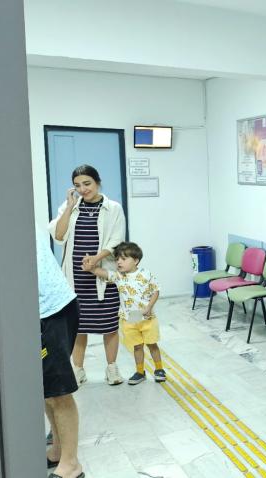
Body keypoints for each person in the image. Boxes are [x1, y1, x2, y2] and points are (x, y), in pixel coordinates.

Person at [49, 164, 126, 386]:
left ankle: (112, 368)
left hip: (102, 274)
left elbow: (117, 240)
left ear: (97, 182)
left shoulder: (113, 208)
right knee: (78, 326)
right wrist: (69, 207)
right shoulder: (69, 207)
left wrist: (96, 259)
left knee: (109, 325)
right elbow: (58, 235)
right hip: (75, 277)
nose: (83, 189)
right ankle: (78, 370)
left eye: (87, 183)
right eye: (77, 185)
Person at [36, 228, 85, 478]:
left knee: (58, 392)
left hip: (52, 309)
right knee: (47, 390)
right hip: (41, 309)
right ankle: (57, 450)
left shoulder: (9, 216)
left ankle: (71, 464)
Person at [83, 241, 166, 385]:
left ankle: (159, 369)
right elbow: (104, 273)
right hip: (130, 319)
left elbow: (156, 290)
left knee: (152, 344)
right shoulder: (119, 276)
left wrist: (149, 307)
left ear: (136, 261)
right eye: (117, 259)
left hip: (147, 318)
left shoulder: (145, 274)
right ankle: (140, 372)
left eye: (123, 259)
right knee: (137, 346)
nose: (119, 262)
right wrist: (91, 268)